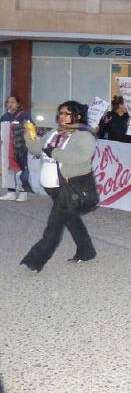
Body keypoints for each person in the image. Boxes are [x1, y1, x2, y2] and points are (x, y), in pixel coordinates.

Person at [20, 101, 98, 273]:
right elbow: (36, 149)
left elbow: (80, 157)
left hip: (69, 188)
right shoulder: (54, 133)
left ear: (76, 116)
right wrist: (30, 135)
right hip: (53, 187)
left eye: (67, 113)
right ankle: (87, 251)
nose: (62, 116)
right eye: (60, 113)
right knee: (71, 219)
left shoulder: (84, 136)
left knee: (53, 227)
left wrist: (53, 152)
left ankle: (35, 261)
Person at [0, 95, 32, 202]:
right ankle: (11, 192)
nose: (10, 104)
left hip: (20, 147)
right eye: (8, 102)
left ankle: (23, 193)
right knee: (9, 169)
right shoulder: (4, 117)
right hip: (7, 147)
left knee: (20, 170)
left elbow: (31, 129)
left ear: (18, 104)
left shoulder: (24, 115)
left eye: (13, 102)